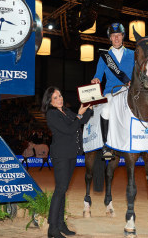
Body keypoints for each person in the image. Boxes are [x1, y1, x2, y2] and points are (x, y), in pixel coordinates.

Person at [41, 86, 92, 238]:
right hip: (61, 156)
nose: (60, 99)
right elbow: (70, 129)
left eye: (60, 95)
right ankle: (52, 228)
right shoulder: (52, 114)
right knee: (60, 190)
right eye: (56, 97)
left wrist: (89, 107)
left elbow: (82, 120)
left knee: (63, 190)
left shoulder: (66, 111)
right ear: (49, 100)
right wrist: (79, 116)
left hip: (71, 155)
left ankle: (61, 223)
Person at [91, 23, 135, 158]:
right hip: (111, 91)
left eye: (119, 35)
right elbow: (98, 74)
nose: (116, 38)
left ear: (123, 37)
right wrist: (96, 79)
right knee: (105, 110)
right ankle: (106, 145)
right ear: (110, 38)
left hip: (128, 91)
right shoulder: (105, 56)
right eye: (113, 36)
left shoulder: (133, 54)